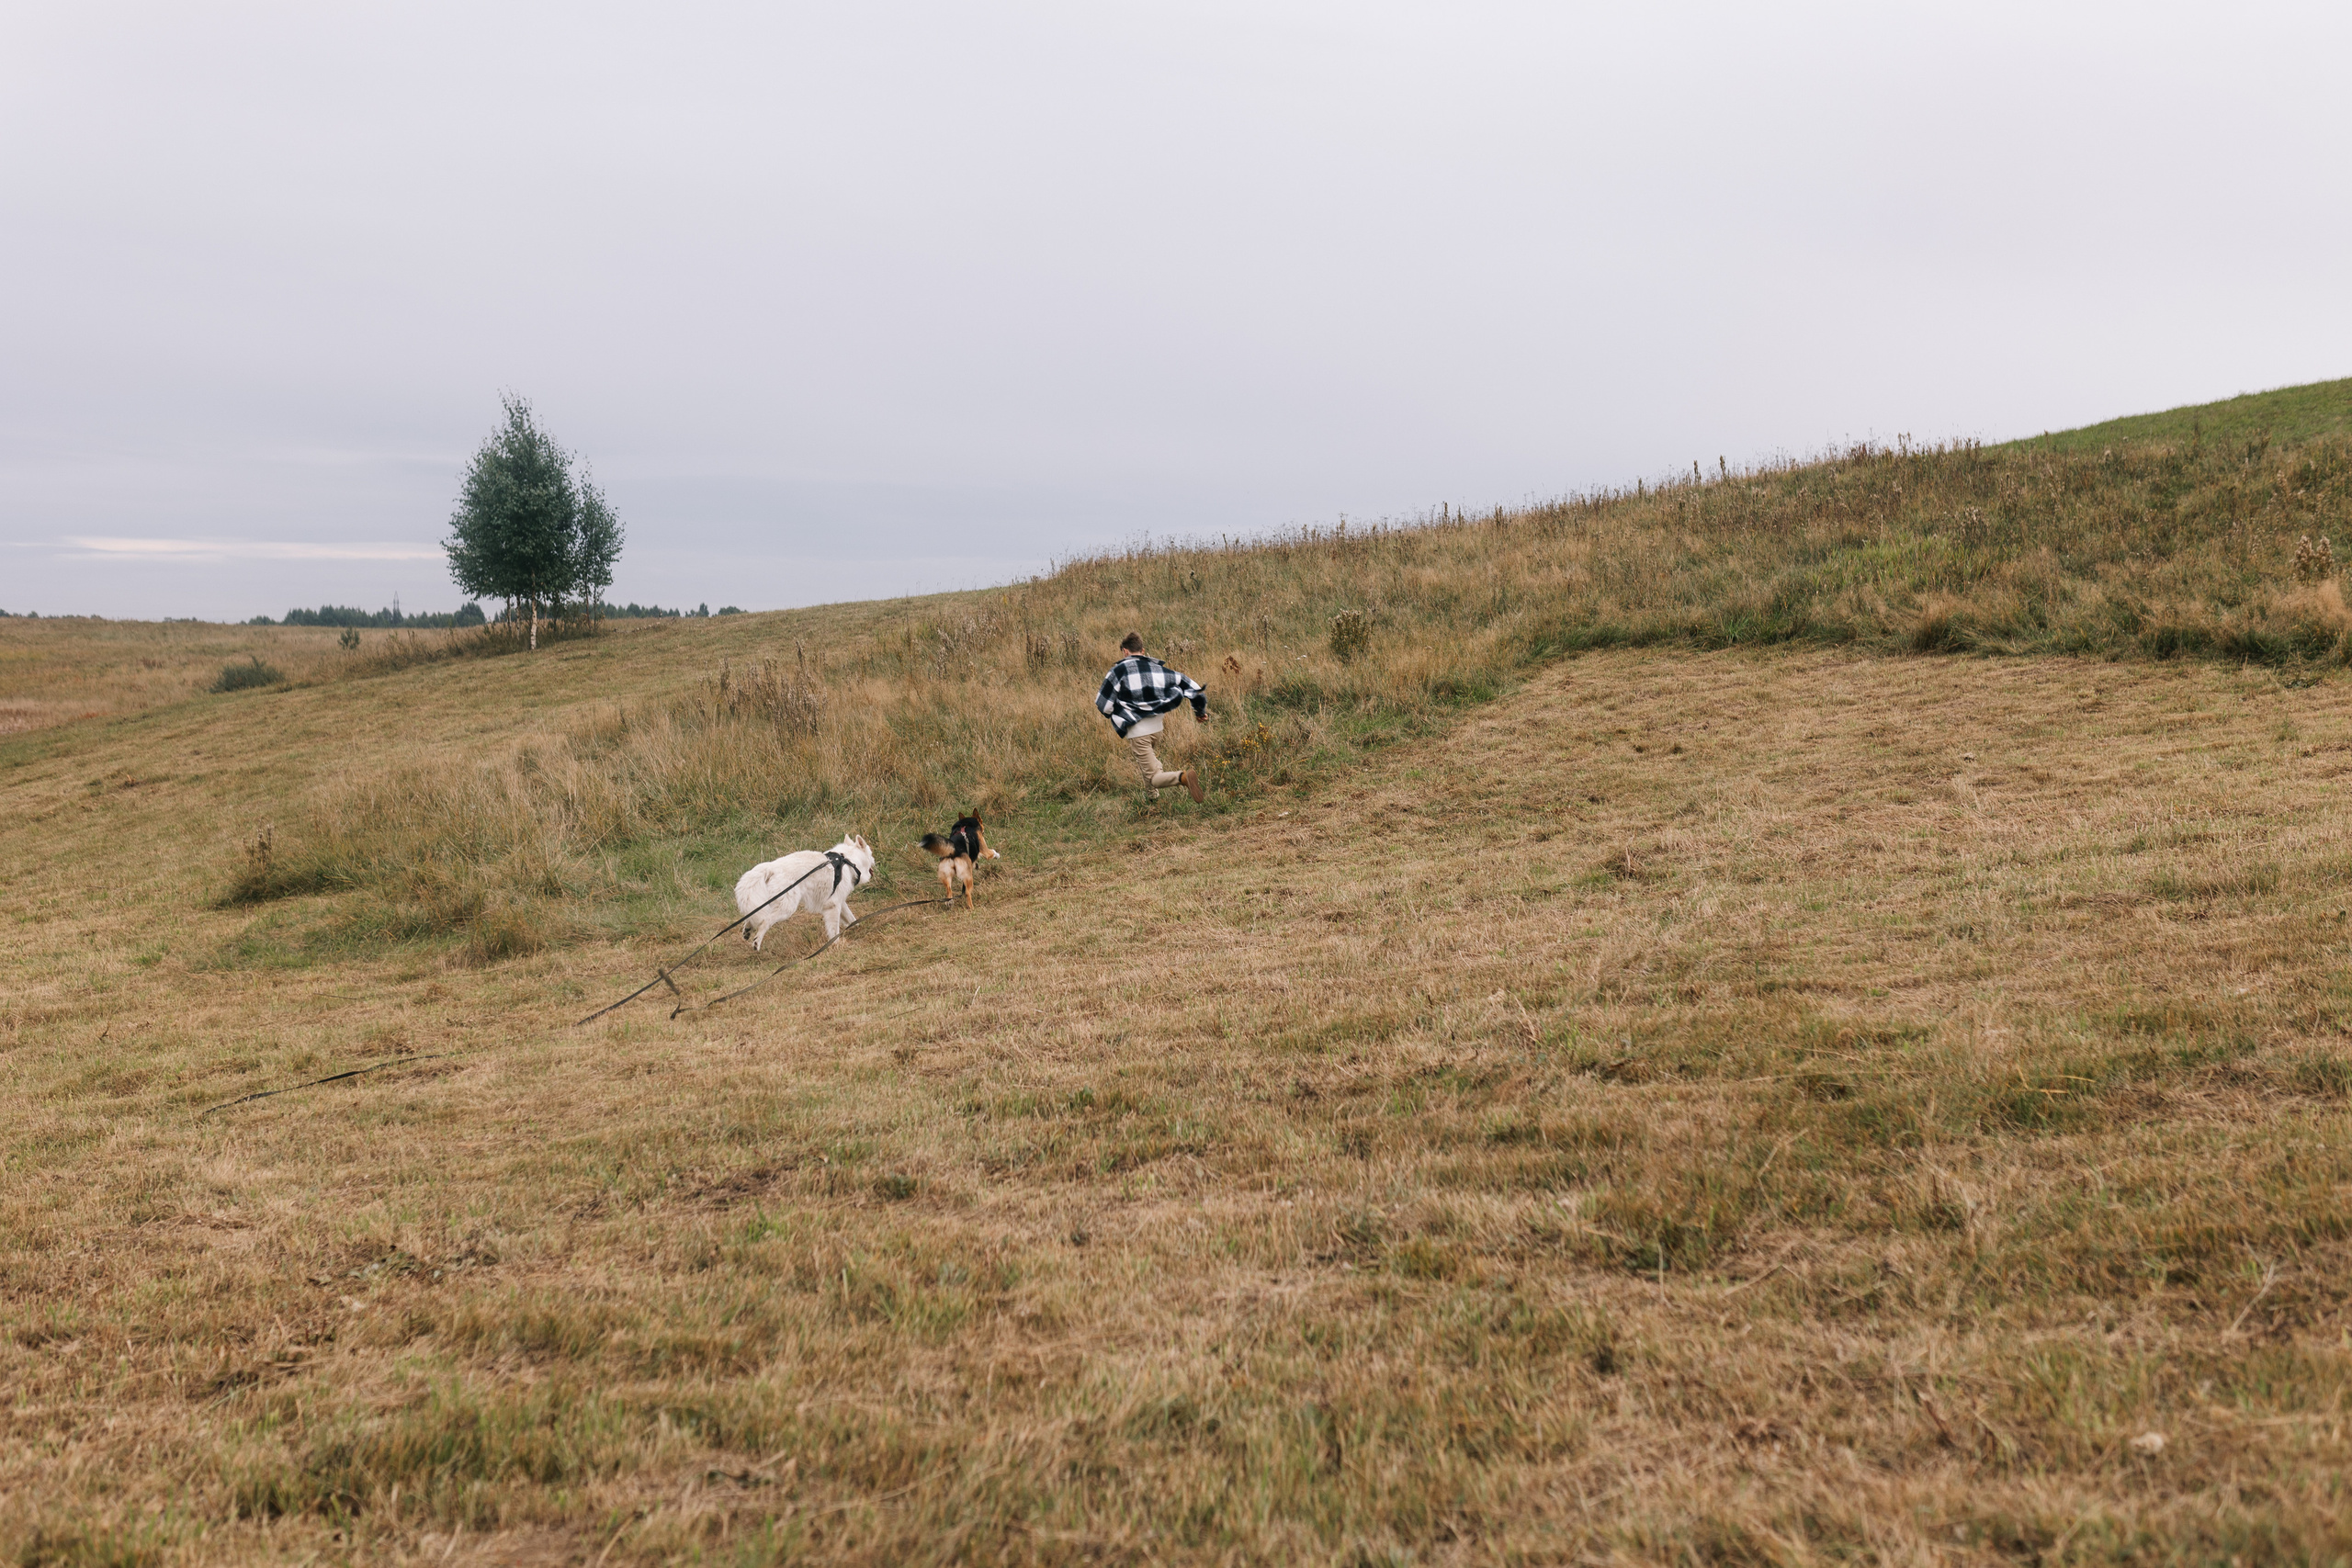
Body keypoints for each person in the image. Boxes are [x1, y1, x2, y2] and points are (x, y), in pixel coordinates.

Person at [1096, 632, 1208, 802]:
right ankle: (1153, 801)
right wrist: (1200, 712)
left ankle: (1183, 777)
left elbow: (1103, 704)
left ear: (1125, 651)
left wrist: (1116, 714)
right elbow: (1193, 688)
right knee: (1147, 765)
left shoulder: (1118, 671)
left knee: (1153, 777)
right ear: (1143, 650)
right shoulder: (1159, 669)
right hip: (1158, 731)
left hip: (1138, 732)